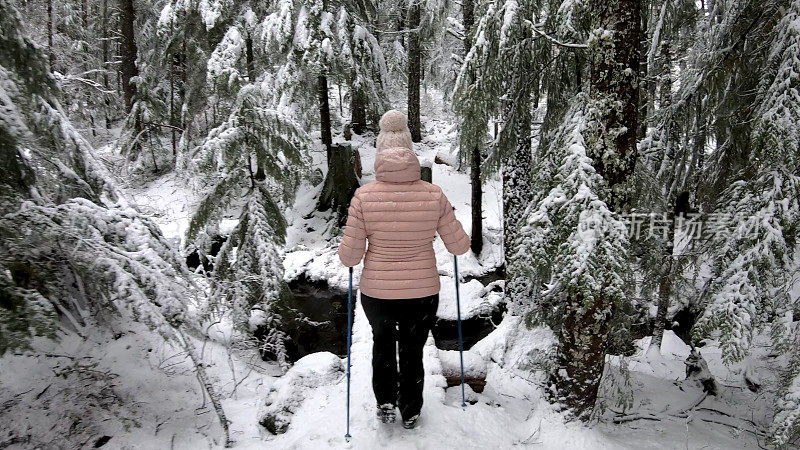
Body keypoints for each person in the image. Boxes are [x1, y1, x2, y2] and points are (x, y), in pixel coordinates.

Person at [337, 110, 471, 429]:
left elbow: (350, 257)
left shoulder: (363, 197)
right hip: (422, 293)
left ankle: (384, 402)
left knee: (382, 344)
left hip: (377, 293)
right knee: (412, 349)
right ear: (411, 153)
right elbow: (459, 246)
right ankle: (410, 410)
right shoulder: (433, 194)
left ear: (380, 154)